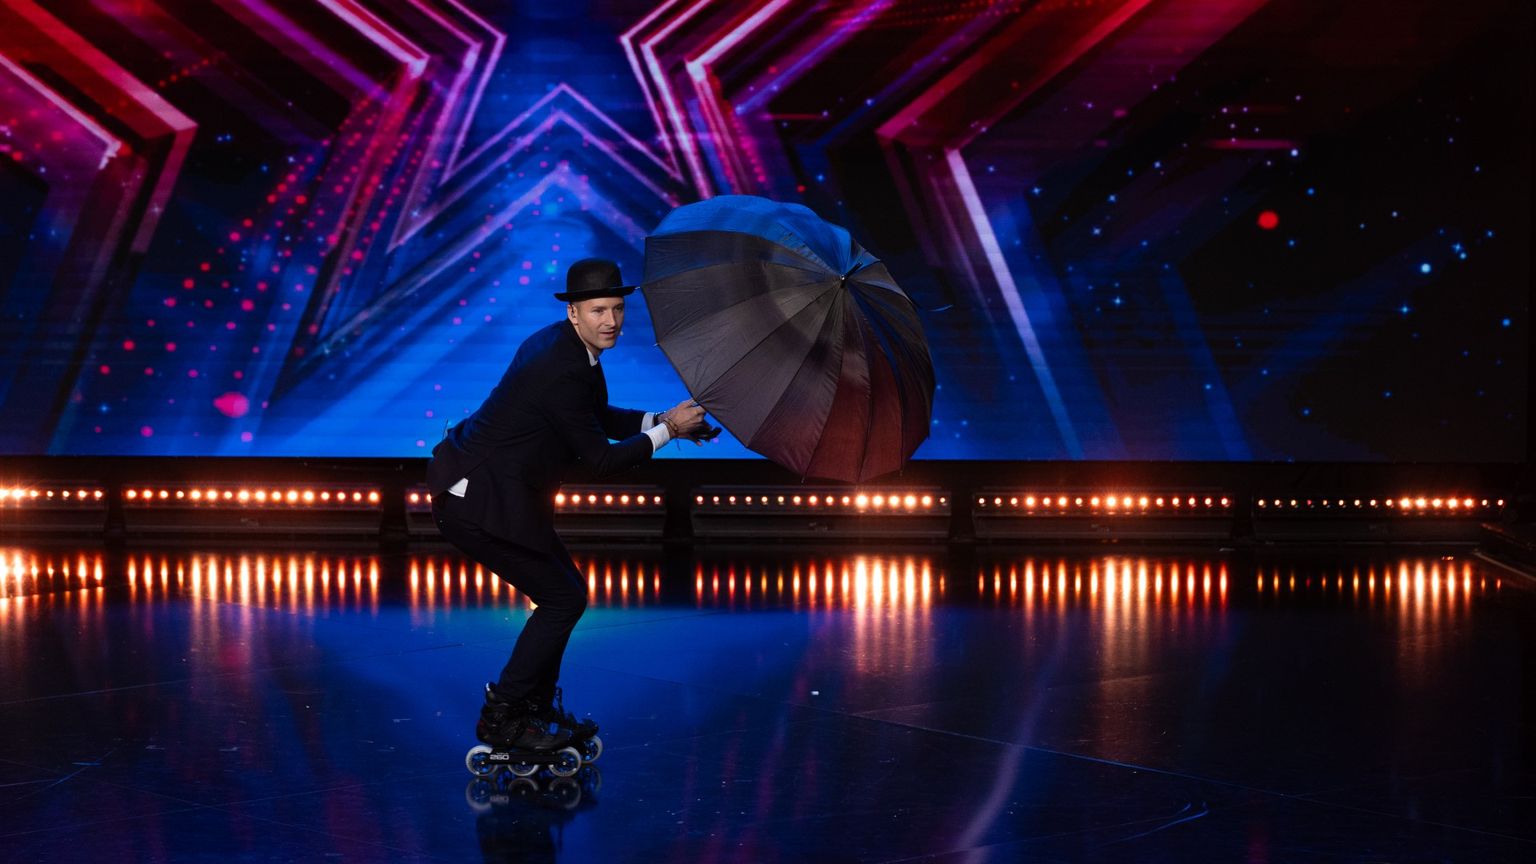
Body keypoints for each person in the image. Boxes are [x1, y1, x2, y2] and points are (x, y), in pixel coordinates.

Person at [428, 258, 713, 753]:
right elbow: (600, 459)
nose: (612, 321)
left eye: (618, 309)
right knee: (562, 599)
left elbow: (594, 416)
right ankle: (503, 717)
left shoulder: (569, 348)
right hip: (476, 502)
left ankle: (533, 710)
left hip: (506, 495)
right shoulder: (560, 366)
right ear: (574, 312)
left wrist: (662, 419)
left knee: (566, 594)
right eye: (599, 310)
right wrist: (669, 431)